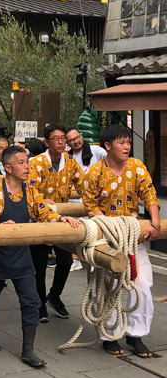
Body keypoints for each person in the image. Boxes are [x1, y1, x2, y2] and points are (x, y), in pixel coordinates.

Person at [0, 146, 80, 366]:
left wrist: (60, 219)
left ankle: (28, 350)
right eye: (22, 163)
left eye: (28, 162)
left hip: (22, 255)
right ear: (8, 167)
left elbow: (44, 210)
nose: (27, 167)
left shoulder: (30, 190)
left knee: (31, 302)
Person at [82, 125, 160, 358]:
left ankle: (136, 334)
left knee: (143, 285)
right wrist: (109, 228)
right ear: (107, 146)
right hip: (107, 239)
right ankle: (109, 335)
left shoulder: (137, 167)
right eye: (121, 142)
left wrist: (155, 222)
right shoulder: (94, 172)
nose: (127, 147)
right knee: (110, 287)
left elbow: (149, 194)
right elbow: (90, 205)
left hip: (133, 236)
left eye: (128, 142)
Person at [28, 123, 84, 322]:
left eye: (63, 139)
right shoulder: (35, 163)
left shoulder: (70, 161)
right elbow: (30, 190)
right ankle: (40, 303)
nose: (61, 142)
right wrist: (43, 202)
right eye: (56, 139)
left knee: (66, 260)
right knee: (40, 264)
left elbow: (83, 184)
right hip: (39, 219)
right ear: (46, 142)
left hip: (62, 219)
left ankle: (55, 295)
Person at [65, 127, 107, 271]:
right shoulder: (67, 157)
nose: (76, 142)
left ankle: (95, 258)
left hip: (94, 200)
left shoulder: (97, 151)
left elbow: (110, 164)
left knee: (95, 231)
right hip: (74, 201)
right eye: (71, 140)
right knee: (76, 233)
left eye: (77, 138)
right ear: (68, 143)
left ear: (81, 136)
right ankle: (75, 259)